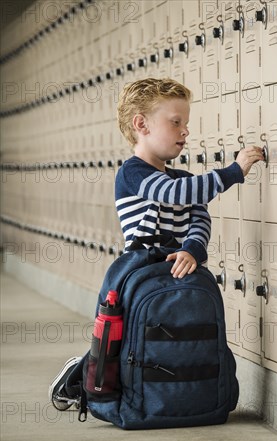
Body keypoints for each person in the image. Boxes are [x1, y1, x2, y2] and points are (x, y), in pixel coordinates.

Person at [48, 78, 264, 409]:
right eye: (175, 122)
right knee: (117, 341)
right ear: (141, 125)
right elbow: (170, 194)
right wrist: (234, 171)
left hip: (177, 264)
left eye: (186, 123)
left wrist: (193, 248)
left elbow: (199, 218)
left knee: (175, 335)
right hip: (139, 265)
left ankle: (185, 392)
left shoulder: (185, 178)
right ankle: (81, 379)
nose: (185, 131)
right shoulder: (132, 173)